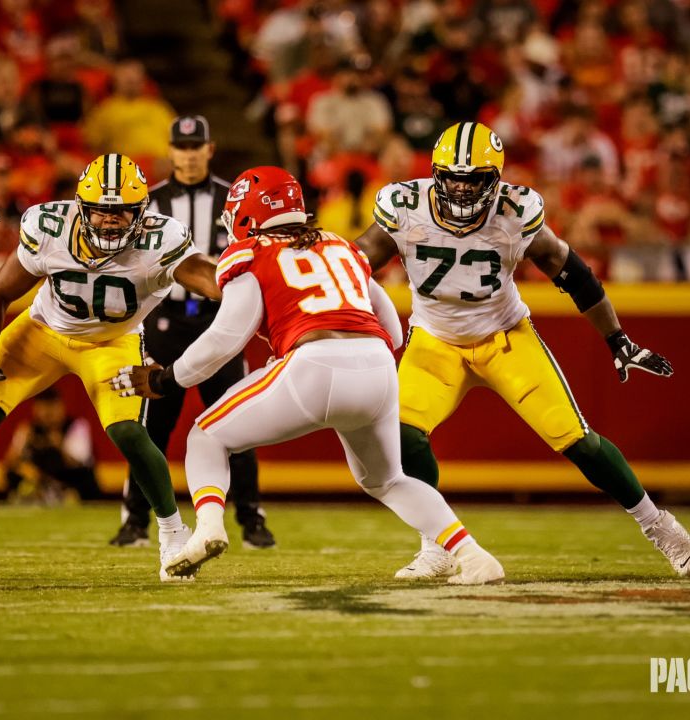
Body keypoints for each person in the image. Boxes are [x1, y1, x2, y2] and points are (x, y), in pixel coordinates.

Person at [112, 167, 504, 584]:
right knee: (388, 480)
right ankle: (473, 554)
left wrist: (165, 380)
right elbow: (390, 327)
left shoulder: (250, 253)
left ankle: (208, 529)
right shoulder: (341, 245)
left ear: (245, 213)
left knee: (206, 434)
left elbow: (224, 338)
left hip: (312, 364)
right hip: (377, 365)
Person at [354, 121, 690, 578]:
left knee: (576, 439)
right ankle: (437, 545)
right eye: (453, 177)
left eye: (473, 179)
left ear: (494, 181)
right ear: (436, 174)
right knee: (402, 435)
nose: (460, 189)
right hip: (435, 341)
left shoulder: (517, 212)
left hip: (505, 339)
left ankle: (658, 524)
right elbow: (355, 258)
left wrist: (617, 338)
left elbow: (572, 272)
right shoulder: (404, 206)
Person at [0, 153, 224, 582]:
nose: (112, 222)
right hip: (42, 332)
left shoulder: (161, 240)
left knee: (129, 433)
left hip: (112, 342)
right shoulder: (48, 230)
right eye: (102, 211)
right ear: (82, 207)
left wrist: (248, 282)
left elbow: (211, 281)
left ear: (141, 213)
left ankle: (174, 536)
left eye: (122, 213)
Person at [110, 115, 276, 550]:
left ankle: (251, 517)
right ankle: (135, 520)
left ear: (210, 148)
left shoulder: (231, 199)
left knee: (237, 422)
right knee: (151, 428)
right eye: (180, 147)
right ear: (171, 150)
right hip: (163, 322)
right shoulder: (148, 201)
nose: (187, 155)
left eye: (194, 146)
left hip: (217, 320)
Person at [3, 388, 101, 503]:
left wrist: (59, 446)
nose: (48, 414)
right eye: (44, 408)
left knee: (84, 476)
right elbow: (10, 462)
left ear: (61, 407)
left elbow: (80, 463)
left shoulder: (76, 426)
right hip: (40, 481)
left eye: (53, 408)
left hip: (69, 480)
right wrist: (23, 447)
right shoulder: (28, 429)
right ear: (36, 410)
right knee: (14, 475)